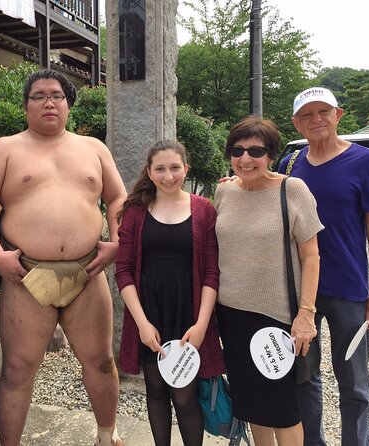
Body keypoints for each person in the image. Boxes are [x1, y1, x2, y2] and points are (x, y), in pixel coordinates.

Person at [0, 68, 127, 446]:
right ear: (26, 107)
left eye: (56, 95)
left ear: (69, 105)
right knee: (18, 369)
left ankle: (107, 435)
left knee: (102, 361)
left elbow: (117, 197)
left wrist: (117, 242)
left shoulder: (94, 149)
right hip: (25, 275)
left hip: (87, 271)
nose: (48, 102)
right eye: (38, 95)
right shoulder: (3, 149)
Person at [279, 87, 369, 445]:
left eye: (323, 112)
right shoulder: (290, 164)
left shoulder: (363, 161)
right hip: (299, 290)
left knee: (354, 381)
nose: (316, 120)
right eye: (307, 115)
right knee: (304, 378)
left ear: (338, 114)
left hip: (348, 289)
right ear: (296, 124)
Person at [214, 116, 323, 446]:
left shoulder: (293, 190)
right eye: (237, 150)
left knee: (283, 409)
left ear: (271, 154)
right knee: (251, 405)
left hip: (276, 317)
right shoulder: (223, 191)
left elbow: (311, 256)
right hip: (231, 315)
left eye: (255, 151)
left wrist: (306, 313)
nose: (245, 159)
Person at [114, 139, 225, 446]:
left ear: (185, 169)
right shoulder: (136, 212)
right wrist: (142, 324)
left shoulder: (204, 210)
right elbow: (123, 271)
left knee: (186, 395)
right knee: (156, 390)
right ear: (149, 172)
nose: (168, 175)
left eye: (175, 168)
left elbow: (211, 272)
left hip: (189, 313)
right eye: (160, 169)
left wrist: (202, 324)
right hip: (149, 313)